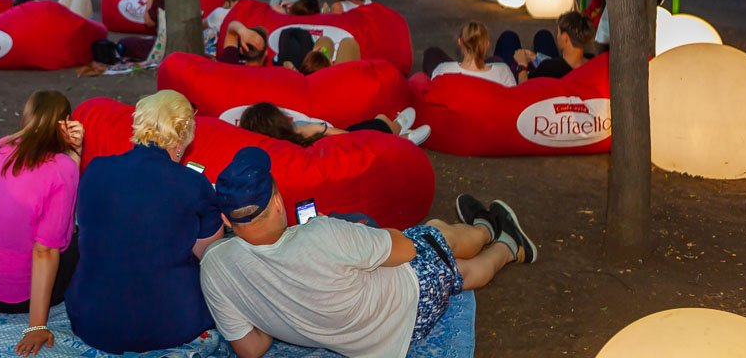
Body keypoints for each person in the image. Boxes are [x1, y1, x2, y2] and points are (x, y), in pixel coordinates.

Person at [199, 147, 535, 358]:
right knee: (438, 237)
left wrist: (276, 304)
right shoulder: (322, 234)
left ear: (226, 218)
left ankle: (502, 240)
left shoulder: (214, 267)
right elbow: (403, 249)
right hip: (409, 303)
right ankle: (497, 235)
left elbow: (251, 348)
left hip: (363, 339)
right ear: (277, 201)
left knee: (443, 257)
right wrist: (365, 237)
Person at [66, 90, 224, 354]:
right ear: (182, 136)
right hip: (171, 323)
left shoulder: (95, 169)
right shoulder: (193, 183)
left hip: (91, 320)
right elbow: (210, 254)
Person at [0, 91, 84, 355]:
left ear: (27, 116)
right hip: (13, 299)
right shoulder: (61, 167)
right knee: (84, 241)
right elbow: (46, 250)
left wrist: (72, 156)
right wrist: (36, 326)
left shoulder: (0, 145)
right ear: (65, 123)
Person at [238, 100, 429, 147]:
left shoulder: (278, 144)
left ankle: (400, 131)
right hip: (348, 142)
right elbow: (352, 138)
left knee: (378, 120)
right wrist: (321, 128)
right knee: (381, 120)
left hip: (341, 141)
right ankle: (401, 135)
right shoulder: (301, 131)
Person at [494, 11, 594, 83]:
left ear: (565, 38)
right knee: (543, 35)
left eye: (558, 32)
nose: (557, 35)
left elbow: (524, 91)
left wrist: (522, 65)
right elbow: (561, 65)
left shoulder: (548, 68)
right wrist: (536, 57)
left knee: (508, 37)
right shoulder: (593, 61)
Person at [423, 22, 516, 87]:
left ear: (459, 42)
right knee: (495, 60)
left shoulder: (443, 71)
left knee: (432, 53)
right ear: (487, 44)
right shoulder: (503, 71)